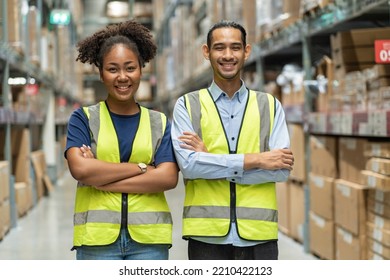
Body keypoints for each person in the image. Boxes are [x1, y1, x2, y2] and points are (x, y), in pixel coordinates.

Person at [171, 20, 294, 260]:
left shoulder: (269, 106)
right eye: (219, 47)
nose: (228, 55)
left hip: (259, 235)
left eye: (235, 47)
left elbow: (280, 170)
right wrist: (257, 159)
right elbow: (189, 166)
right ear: (206, 52)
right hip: (206, 235)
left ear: (246, 51)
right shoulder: (187, 105)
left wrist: (210, 160)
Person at [64, 20, 178, 260]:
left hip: (149, 242)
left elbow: (168, 177)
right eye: (113, 69)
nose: (123, 77)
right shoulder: (83, 118)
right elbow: (81, 169)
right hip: (97, 240)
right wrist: (142, 168)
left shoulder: (159, 122)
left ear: (141, 69)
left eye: (130, 68)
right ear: (101, 73)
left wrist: (102, 178)